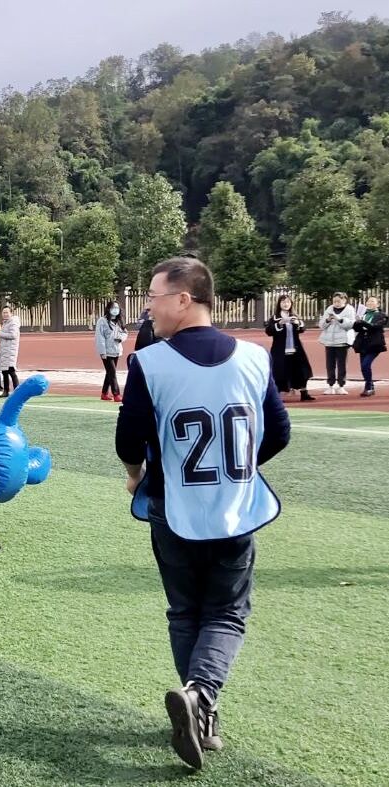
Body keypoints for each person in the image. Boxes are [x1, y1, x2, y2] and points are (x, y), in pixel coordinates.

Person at [116, 257, 290, 771]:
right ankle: (202, 702)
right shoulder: (254, 357)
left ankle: (200, 700)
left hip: (173, 506)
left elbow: (128, 438)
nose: (148, 308)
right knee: (227, 612)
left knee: (185, 611)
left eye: (153, 297)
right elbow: (278, 432)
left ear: (183, 299)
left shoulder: (150, 362)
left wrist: (135, 473)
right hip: (235, 508)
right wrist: (236, 467)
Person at [265, 295, 315, 402]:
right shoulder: (274, 318)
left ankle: (304, 393)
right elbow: (268, 331)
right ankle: (277, 396)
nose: (286, 304)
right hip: (280, 350)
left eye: (288, 302)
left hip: (295, 349)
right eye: (283, 302)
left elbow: (302, 329)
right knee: (279, 372)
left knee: (302, 370)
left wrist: (298, 323)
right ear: (279, 304)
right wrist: (280, 323)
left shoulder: (295, 317)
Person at [318, 292, 354, 395]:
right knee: (330, 365)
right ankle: (330, 385)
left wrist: (339, 319)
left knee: (342, 365)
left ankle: (341, 385)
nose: (336, 303)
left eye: (338, 301)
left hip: (342, 342)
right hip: (329, 342)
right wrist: (328, 320)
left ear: (344, 300)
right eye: (334, 301)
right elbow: (321, 325)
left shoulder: (349, 309)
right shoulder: (329, 309)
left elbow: (350, 325)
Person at [352, 295, 387, 397]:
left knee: (365, 365)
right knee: (363, 368)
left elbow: (374, 327)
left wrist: (362, 322)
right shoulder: (364, 314)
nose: (370, 303)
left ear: (378, 304)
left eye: (372, 301)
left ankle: (369, 387)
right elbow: (357, 329)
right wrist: (357, 322)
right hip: (363, 343)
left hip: (374, 344)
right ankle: (370, 386)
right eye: (368, 301)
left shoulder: (382, 315)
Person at [95, 301, 128, 402]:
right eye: (113, 308)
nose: (115, 310)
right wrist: (102, 352)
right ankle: (116, 394)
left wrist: (121, 338)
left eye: (117, 308)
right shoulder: (102, 321)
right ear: (108, 309)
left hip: (116, 350)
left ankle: (104, 393)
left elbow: (125, 333)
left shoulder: (119, 321)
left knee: (109, 373)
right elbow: (99, 337)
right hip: (106, 351)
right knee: (112, 373)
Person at [0, 306, 20, 398]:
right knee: (4, 371)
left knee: (11, 371)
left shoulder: (13, 322)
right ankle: (6, 391)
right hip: (4, 350)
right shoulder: (5, 323)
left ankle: (17, 391)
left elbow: (13, 335)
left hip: (10, 351)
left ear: (11, 313)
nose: (5, 314)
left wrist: (0, 334)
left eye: (7, 312)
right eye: (3, 312)